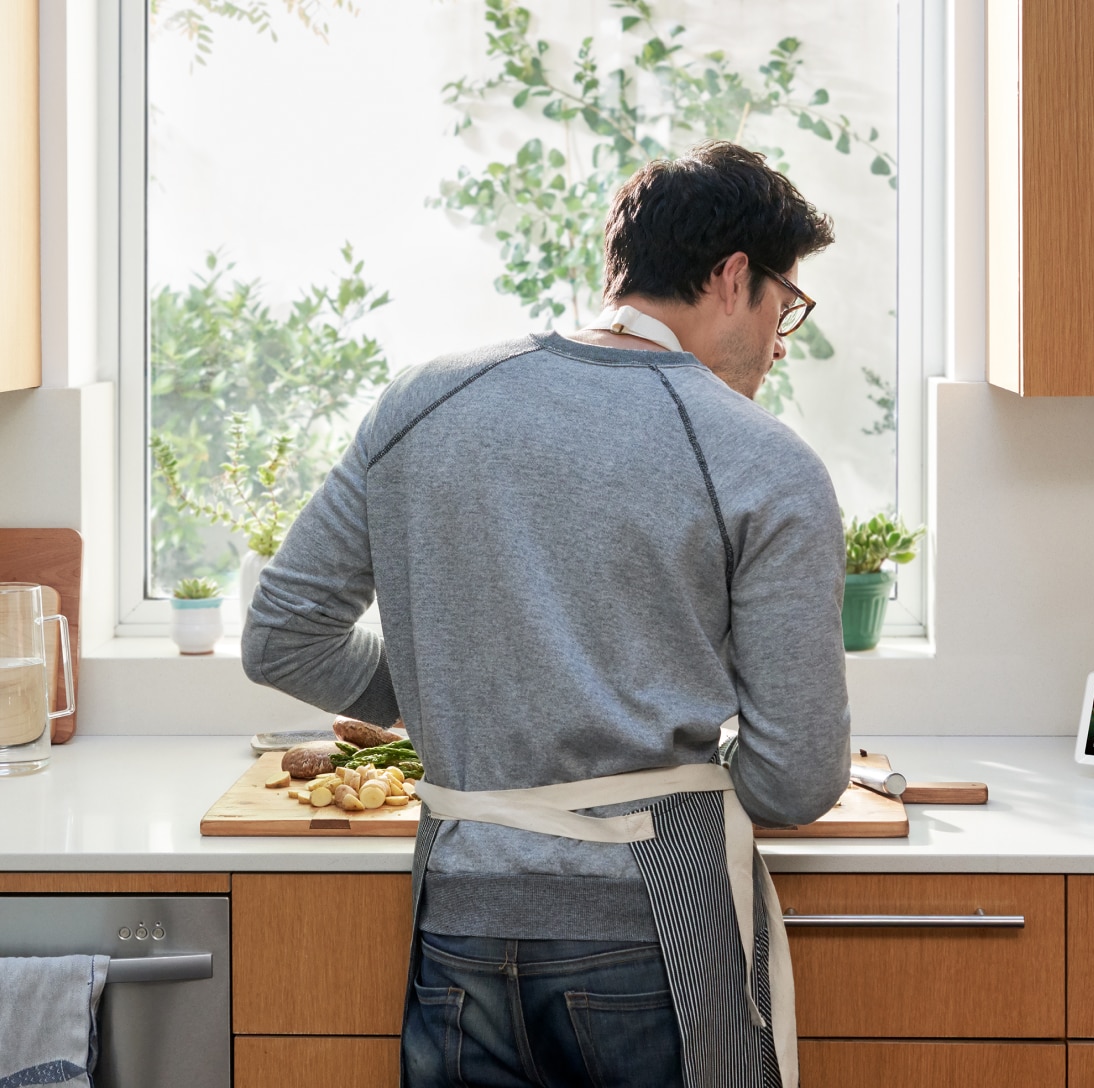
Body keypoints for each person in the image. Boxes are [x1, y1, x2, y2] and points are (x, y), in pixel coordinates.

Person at [241, 140, 851, 1088]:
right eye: (787, 308)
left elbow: (285, 635)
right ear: (735, 279)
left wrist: (468, 688)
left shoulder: (423, 401)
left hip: (459, 924)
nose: (782, 340)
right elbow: (796, 778)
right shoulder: (761, 460)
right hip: (653, 930)